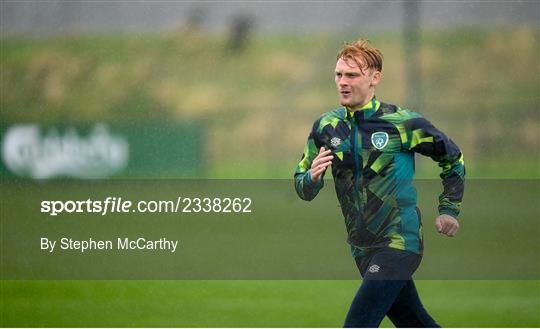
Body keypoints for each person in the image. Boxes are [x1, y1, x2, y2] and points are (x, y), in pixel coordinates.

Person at [294, 39, 465, 327]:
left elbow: (453, 158)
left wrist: (449, 208)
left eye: (352, 75)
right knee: (414, 321)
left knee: (357, 324)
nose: (343, 82)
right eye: (339, 75)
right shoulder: (326, 127)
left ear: (375, 78)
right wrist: (310, 178)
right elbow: (301, 185)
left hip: (399, 240)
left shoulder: (401, 123)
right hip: (361, 246)